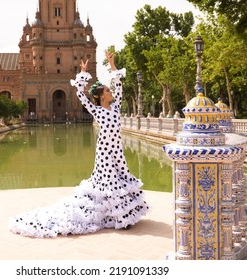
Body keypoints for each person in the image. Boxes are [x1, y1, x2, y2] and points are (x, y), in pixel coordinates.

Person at [9, 52, 149, 238]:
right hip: (105, 151)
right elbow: (80, 95)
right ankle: (118, 218)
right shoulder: (96, 110)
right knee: (108, 181)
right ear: (101, 97)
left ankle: (121, 215)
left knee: (122, 177)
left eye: (109, 90)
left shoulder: (115, 107)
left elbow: (120, 86)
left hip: (117, 150)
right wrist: (82, 73)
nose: (111, 92)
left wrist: (112, 65)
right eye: (107, 91)